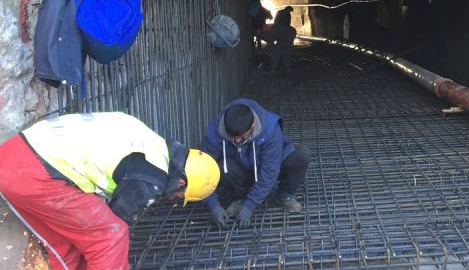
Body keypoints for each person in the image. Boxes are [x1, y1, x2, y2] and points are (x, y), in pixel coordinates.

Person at [0, 112, 220, 270]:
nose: (173, 198)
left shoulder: (150, 142)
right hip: (39, 174)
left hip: (12, 159)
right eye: (180, 196)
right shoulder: (152, 174)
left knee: (65, 248)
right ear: (182, 182)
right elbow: (115, 223)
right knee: (111, 237)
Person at [202, 98, 311, 229]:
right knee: (222, 168)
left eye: (242, 137)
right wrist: (213, 205)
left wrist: (250, 206)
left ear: (253, 124)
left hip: (269, 167)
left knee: (302, 155)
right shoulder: (215, 132)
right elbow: (204, 170)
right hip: (242, 169)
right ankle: (239, 198)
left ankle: (284, 194)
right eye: (232, 137)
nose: (237, 141)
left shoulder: (270, 130)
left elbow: (269, 172)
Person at [263, 6, 296, 72]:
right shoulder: (287, 14)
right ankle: (288, 67)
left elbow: (270, 43)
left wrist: (268, 48)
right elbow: (288, 23)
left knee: (277, 51)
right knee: (286, 50)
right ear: (288, 9)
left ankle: (273, 68)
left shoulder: (279, 13)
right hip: (289, 32)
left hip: (285, 33)